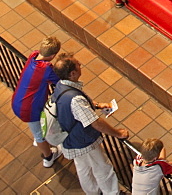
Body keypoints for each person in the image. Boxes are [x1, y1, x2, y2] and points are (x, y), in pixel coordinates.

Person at [51, 53, 129, 195]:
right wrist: (118, 133)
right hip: (83, 140)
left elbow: (78, 104)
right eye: (77, 64)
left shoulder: (61, 85)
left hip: (70, 140)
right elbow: (96, 123)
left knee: (83, 168)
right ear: (72, 74)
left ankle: (93, 192)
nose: (80, 64)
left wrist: (98, 105)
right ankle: (112, 193)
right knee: (102, 168)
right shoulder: (75, 99)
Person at [11, 36, 63, 168]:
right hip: (29, 109)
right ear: (52, 55)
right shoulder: (46, 69)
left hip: (17, 101)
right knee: (39, 136)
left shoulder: (33, 56)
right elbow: (59, 82)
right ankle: (48, 157)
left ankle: (41, 139)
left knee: (38, 127)